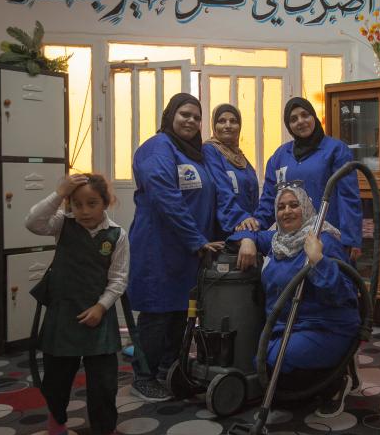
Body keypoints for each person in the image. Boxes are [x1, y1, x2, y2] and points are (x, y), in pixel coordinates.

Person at [127, 93, 246, 401]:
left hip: (191, 250)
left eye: (196, 116)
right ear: (170, 116)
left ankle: (170, 365)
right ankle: (143, 375)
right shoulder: (157, 148)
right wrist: (197, 240)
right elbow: (166, 197)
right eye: (185, 114)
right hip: (160, 247)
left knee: (181, 311)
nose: (191, 121)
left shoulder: (197, 154)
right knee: (157, 313)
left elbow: (217, 194)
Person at [234, 182, 360, 418]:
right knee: (261, 361)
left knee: (279, 360)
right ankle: (309, 387)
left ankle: (338, 379)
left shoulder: (323, 240)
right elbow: (244, 231)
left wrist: (318, 260)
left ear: (306, 207)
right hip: (285, 326)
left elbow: (343, 294)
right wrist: (248, 241)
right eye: (281, 207)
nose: (287, 211)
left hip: (327, 325)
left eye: (294, 205)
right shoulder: (277, 239)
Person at [25, 173, 125, 435]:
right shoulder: (62, 224)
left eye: (92, 203)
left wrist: (101, 307)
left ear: (105, 203)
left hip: (99, 315)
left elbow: (118, 279)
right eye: (77, 204)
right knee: (56, 376)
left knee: (104, 382)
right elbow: (33, 221)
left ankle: (105, 430)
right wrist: (59, 193)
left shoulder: (117, 234)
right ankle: (56, 417)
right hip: (64, 313)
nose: (84, 211)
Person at [253, 97, 362, 261]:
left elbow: (348, 197)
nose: (300, 121)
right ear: (288, 126)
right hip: (290, 243)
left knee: (330, 280)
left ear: (314, 117)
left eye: (305, 115)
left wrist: (351, 239)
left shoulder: (336, 150)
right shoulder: (279, 156)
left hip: (328, 240)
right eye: (293, 119)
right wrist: (253, 227)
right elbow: (270, 200)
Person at [203, 103, 260, 238]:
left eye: (233, 121)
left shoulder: (241, 159)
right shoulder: (210, 151)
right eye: (221, 121)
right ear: (214, 126)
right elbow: (220, 189)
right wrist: (240, 218)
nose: (228, 125)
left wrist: (254, 224)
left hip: (245, 229)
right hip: (223, 233)